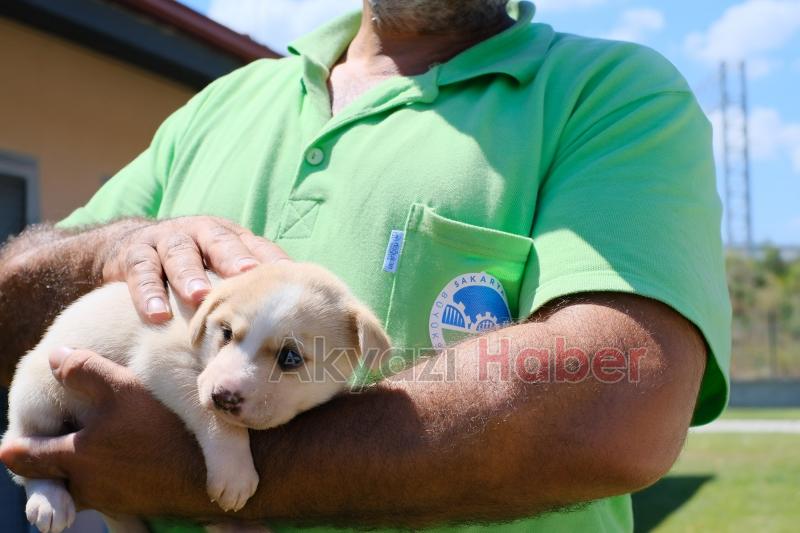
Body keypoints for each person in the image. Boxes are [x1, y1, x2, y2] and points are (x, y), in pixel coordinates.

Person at [0, 1, 731, 531]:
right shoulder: (224, 103)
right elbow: (13, 313)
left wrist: (213, 467)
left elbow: (616, 404)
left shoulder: (610, 94)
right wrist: (113, 246)